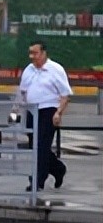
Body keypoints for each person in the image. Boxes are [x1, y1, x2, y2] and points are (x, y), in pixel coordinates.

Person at [15, 41, 71, 191]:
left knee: (41, 146)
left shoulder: (55, 69)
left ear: (44, 53)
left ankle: (37, 181)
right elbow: (22, 92)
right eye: (30, 53)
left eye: (35, 53)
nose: (32, 56)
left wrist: (59, 112)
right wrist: (16, 110)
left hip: (49, 110)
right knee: (35, 146)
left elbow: (65, 95)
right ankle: (58, 169)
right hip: (32, 110)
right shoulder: (29, 70)